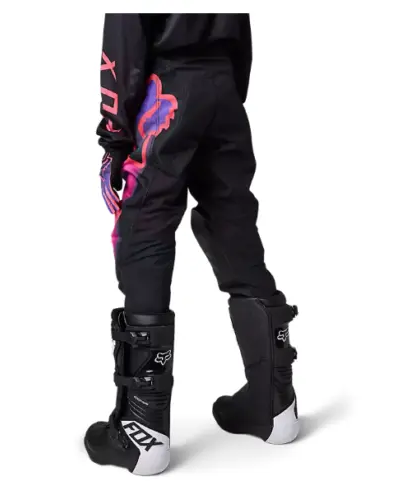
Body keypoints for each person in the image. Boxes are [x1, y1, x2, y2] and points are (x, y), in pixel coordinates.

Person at [84, 14, 299, 476]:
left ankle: (141, 429)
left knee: (144, 225)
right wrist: (224, 93)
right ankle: (275, 404)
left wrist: (114, 136)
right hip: (224, 89)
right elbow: (241, 30)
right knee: (232, 220)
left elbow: (124, 37)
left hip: (167, 87)